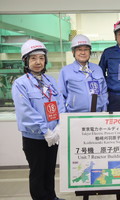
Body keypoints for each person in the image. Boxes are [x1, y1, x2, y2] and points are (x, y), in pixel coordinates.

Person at [12, 39, 65, 200]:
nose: (38, 62)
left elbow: (60, 103)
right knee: (37, 172)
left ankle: (52, 197)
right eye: (33, 58)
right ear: (26, 61)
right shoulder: (20, 84)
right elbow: (25, 111)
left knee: (49, 170)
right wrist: (45, 130)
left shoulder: (50, 81)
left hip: (53, 136)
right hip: (35, 137)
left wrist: (59, 127)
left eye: (41, 58)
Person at [58, 34, 108, 112]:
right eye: (79, 50)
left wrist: (104, 110)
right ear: (73, 52)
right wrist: (65, 116)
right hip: (75, 116)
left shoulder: (97, 69)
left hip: (97, 114)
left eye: (86, 49)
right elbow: (61, 96)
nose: (83, 53)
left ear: (90, 52)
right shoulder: (65, 71)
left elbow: (104, 91)